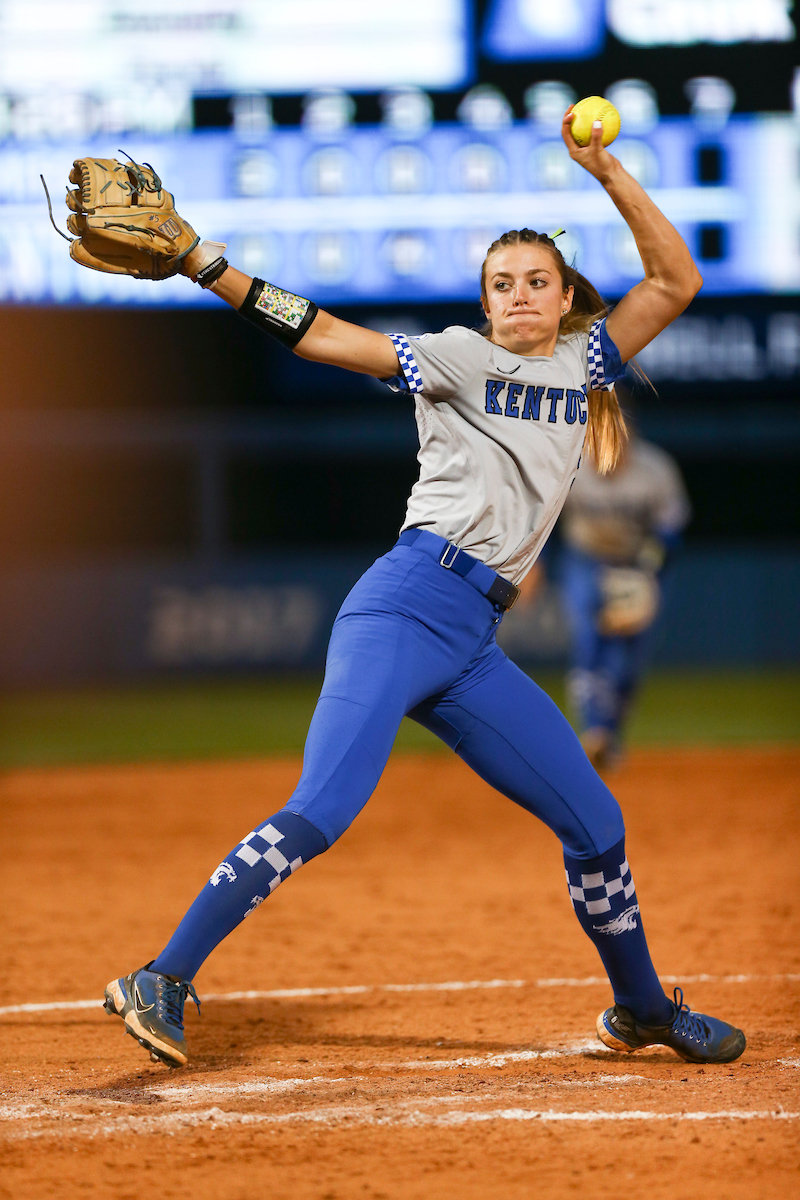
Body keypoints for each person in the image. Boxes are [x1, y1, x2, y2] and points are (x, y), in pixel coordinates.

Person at [101, 112, 745, 1068]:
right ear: (484, 303)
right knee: (323, 807)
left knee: (597, 825)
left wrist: (605, 169)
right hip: (405, 606)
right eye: (502, 283)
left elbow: (676, 282)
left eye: (536, 281)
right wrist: (202, 260)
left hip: (473, 643)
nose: (519, 295)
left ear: (565, 295)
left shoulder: (583, 362)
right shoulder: (458, 357)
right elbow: (323, 335)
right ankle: (163, 975)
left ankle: (643, 1006)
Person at [559, 425, 691, 768]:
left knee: (628, 661)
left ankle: (610, 737)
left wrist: (647, 568)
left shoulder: (655, 468)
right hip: (585, 559)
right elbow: (541, 515)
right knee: (589, 640)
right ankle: (595, 732)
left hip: (639, 565)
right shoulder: (570, 461)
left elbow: (671, 528)